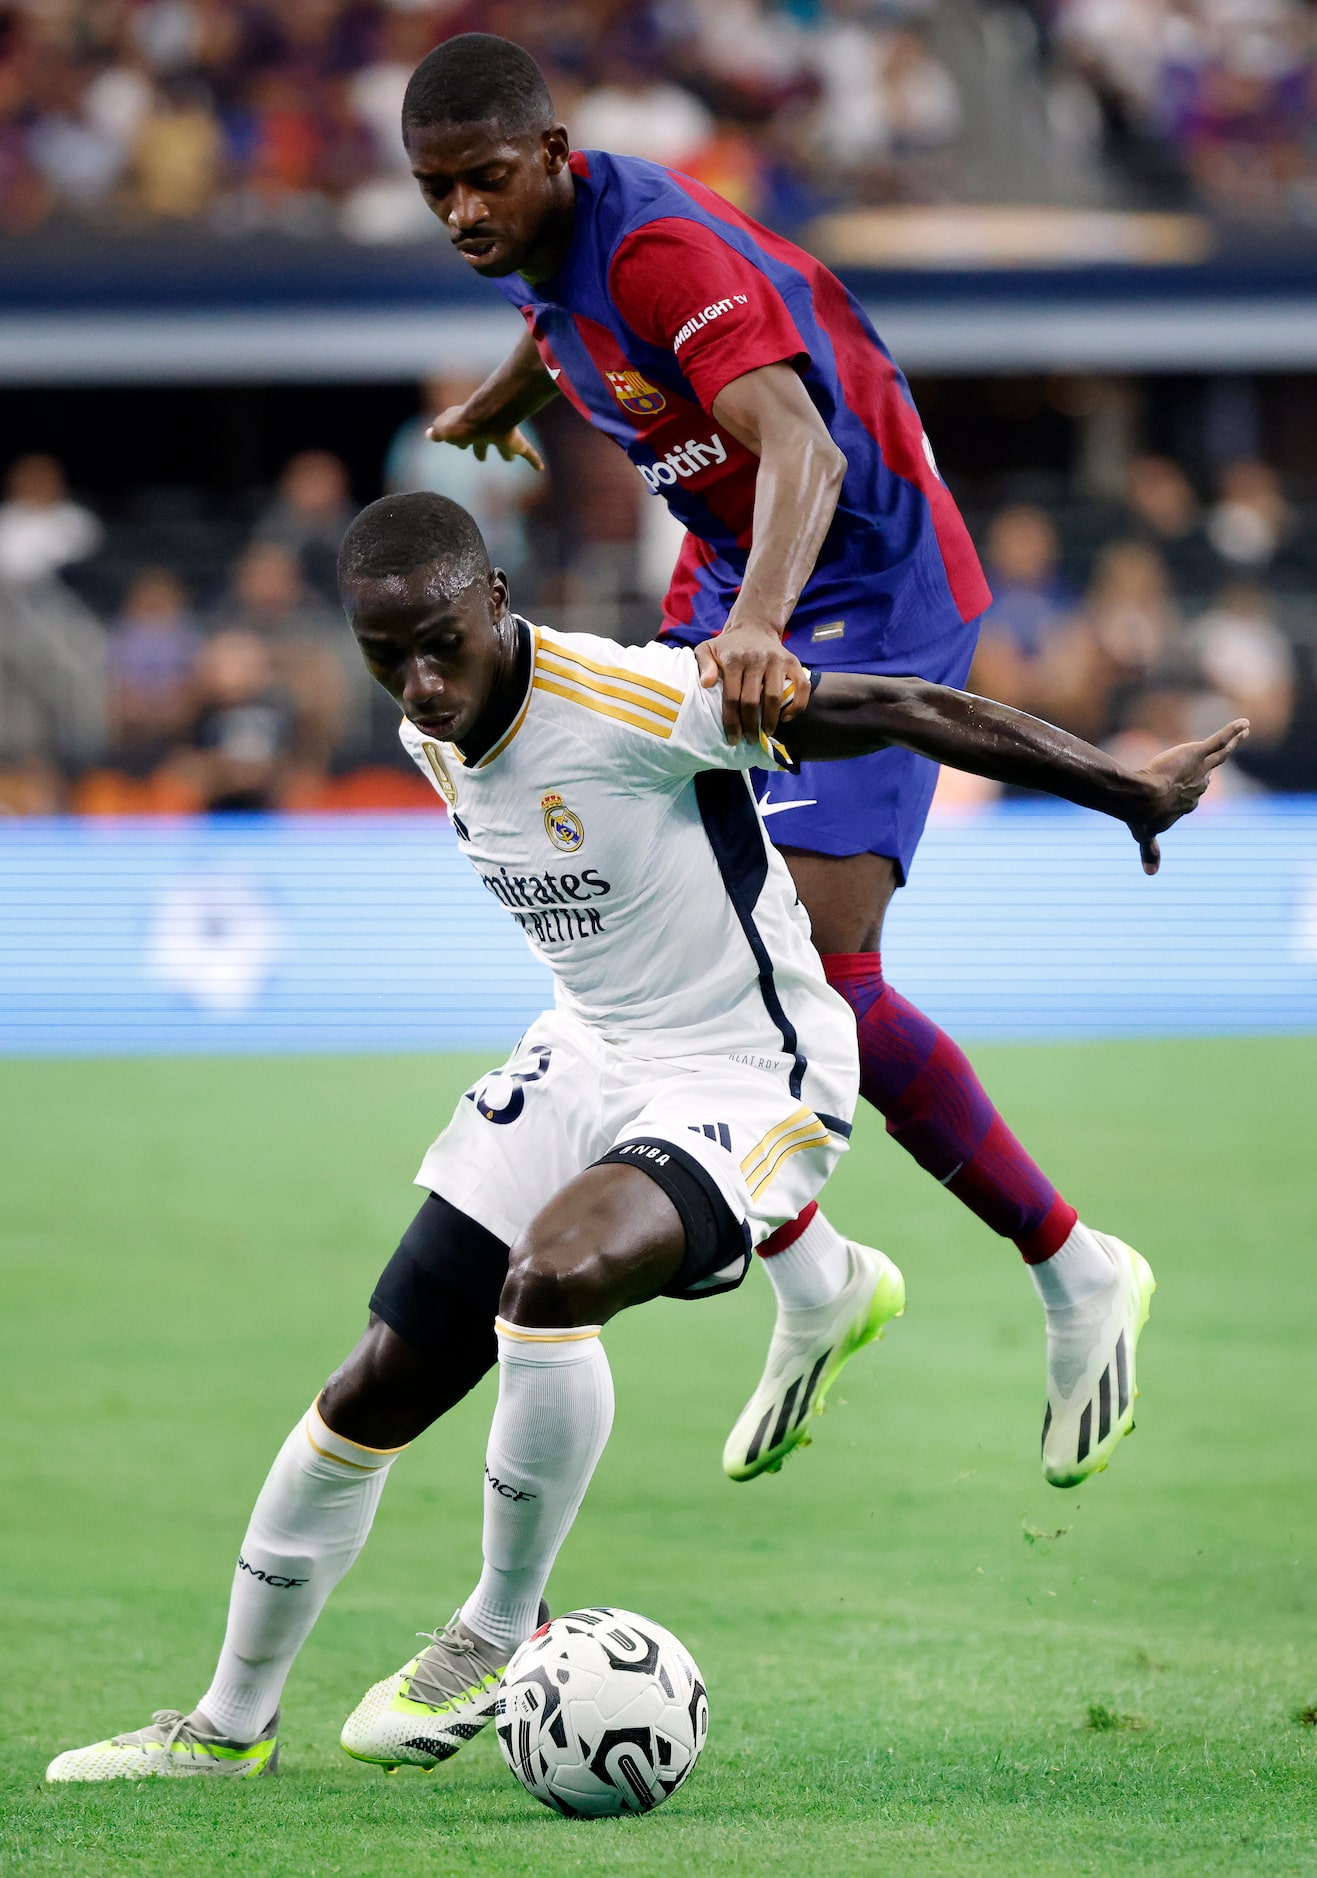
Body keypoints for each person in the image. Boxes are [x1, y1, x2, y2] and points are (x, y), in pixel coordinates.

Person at [45, 492, 1245, 1783]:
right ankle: (225, 1728)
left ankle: (501, 1625)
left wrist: (1116, 781)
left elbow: (893, 708)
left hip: (746, 1065)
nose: (421, 678)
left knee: (551, 1279)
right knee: (371, 1385)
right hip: (584, 1055)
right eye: (386, 652)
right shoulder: (426, 726)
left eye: (441, 640)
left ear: (497, 598)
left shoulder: (631, 697)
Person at [405, 33, 1160, 1485]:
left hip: (860, 577)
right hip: (736, 569)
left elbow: (802, 450)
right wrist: (513, 392)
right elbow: (557, 310)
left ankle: (1075, 1266)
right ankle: (817, 1276)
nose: (459, 215)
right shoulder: (535, 239)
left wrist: (757, 627)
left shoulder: (661, 258)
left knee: (821, 966)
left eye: (481, 181)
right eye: (435, 190)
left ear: (552, 154)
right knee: (658, 930)